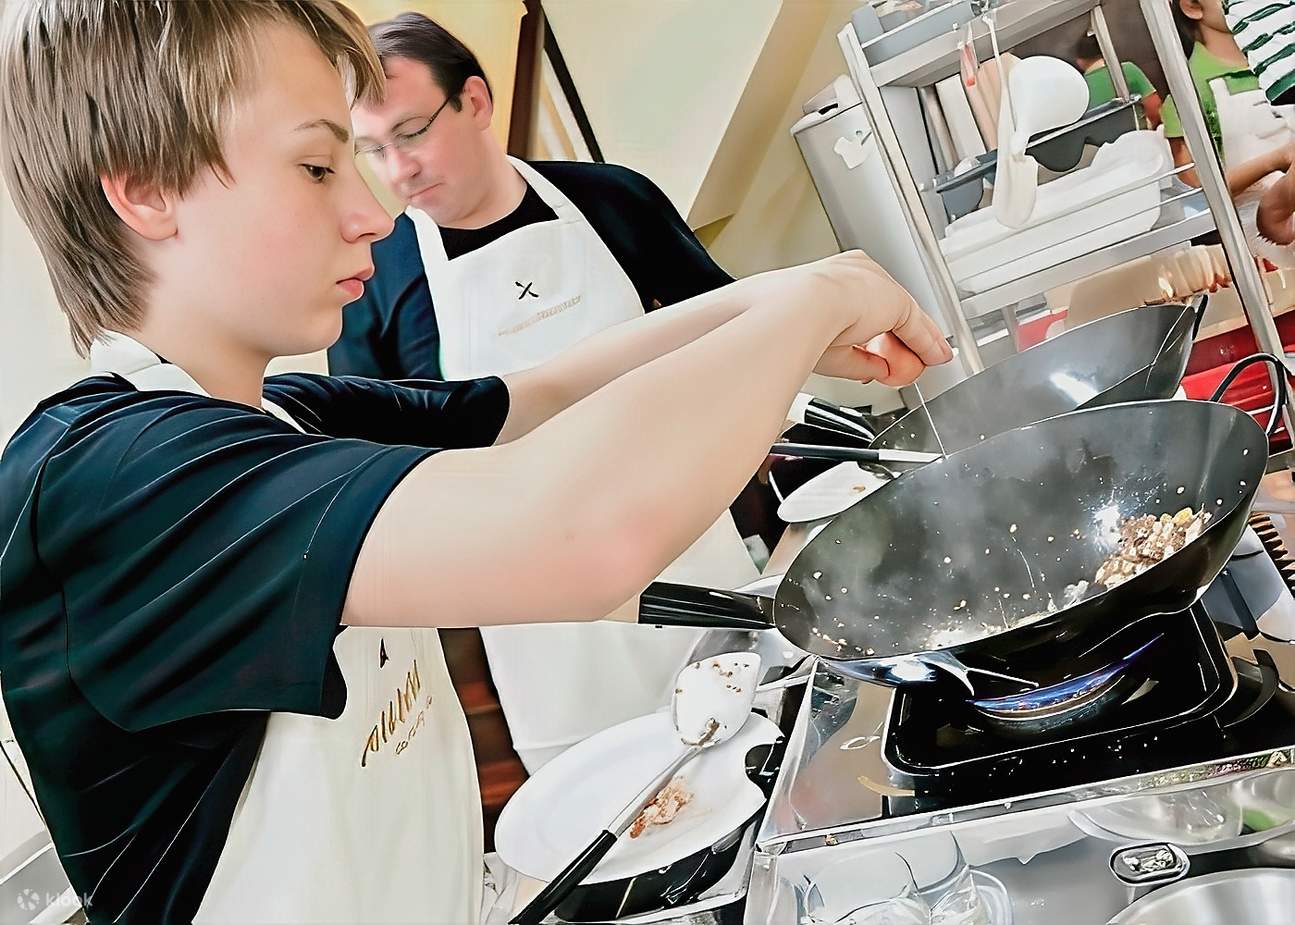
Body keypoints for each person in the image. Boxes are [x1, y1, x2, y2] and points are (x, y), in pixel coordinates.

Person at [0, 2, 950, 923]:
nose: (371, 211)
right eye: (319, 163)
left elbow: (536, 394)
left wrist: (782, 298)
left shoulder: (284, 417)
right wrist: (813, 304)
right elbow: (576, 529)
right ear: (146, 190)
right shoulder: (115, 479)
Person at [338, 13, 762, 772]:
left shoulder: (612, 202)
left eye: (411, 132)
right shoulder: (376, 285)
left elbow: (743, 339)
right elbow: (372, 472)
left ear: (473, 101)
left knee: (759, 758)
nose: (396, 170)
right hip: (545, 630)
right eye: (371, 150)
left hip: (693, 562)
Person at [1073, 32, 1163, 127]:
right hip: (1137, 134)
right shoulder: (1127, 69)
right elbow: (1154, 106)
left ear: (1079, 61)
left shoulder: (1076, 88)